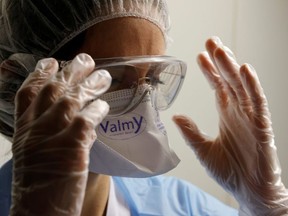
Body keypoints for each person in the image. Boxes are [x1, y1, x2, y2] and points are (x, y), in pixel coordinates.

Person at [0, 0, 287, 215]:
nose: (143, 104)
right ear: (21, 81)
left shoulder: (181, 207)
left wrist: (267, 208)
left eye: (154, 78)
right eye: (112, 78)